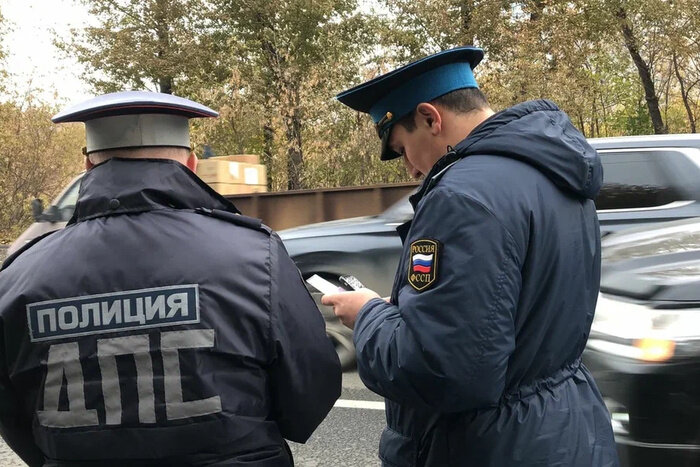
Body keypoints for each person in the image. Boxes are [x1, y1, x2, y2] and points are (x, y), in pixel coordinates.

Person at [0, 91, 341, 466]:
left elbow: (12, 414)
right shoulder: (256, 256)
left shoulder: (18, 277)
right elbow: (311, 388)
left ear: (87, 165)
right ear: (191, 164)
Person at [323, 46, 619, 466]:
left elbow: (444, 370)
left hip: (493, 445)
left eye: (403, 149)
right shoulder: (556, 174)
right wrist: (411, 310)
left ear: (431, 118)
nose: (410, 169)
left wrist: (368, 314)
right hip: (565, 427)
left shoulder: (461, 197)